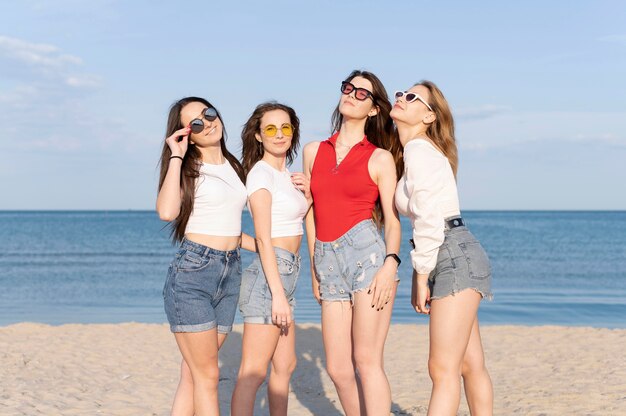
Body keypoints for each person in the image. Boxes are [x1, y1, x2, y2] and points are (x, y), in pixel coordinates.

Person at [302, 70, 402, 416]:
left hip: (368, 256)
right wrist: (314, 266)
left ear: (374, 109)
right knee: (338, 368)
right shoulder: (314, 150)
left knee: (366, 360)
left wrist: (391, 263)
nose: (352, 95)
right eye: (349, 88)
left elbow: (392, 220)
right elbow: (310, 212)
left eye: (362, 94)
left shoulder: (379, 158)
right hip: (326, 258)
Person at [390, 81, 494, 415]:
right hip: (454, 251)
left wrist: (420, 275)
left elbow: (430, 218)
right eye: (400, 93)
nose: (401, 98)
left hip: (450, 254)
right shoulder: (418, 152)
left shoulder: (419, 150)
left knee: (442, 368)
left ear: (429, 115)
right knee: (468, 363)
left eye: (411, 97)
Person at [156, 97, 254, 416]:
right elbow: (167, 211)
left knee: (193, 373)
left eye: (209, 113)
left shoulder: (234, 166)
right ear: (187, 133)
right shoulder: (186, 167)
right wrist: (175, 155)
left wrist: (271, 249)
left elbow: (231, 229)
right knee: (208, 375)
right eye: (196, 123)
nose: (207, 122)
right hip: (193, 274)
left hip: (230, 271)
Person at [231, 102, 311, 415]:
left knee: (285, 366)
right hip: (270, 280)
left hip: (287, 273)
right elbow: (263, 236)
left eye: (286, 128)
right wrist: (278, 294)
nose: (279, 134)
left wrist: (308, 196)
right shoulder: (260, 174)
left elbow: (291, 224)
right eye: (270, 129)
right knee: (253, 371)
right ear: (259, 135)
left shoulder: (287, 176)